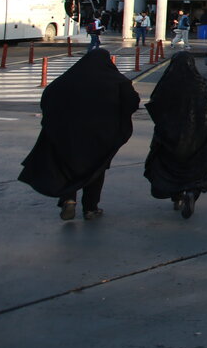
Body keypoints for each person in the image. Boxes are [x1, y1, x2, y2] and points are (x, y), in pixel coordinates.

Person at [18, 48, 140, 221]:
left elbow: (47, 98)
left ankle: (68, 199)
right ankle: (90, 208)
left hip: (68, 133)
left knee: (68, 166)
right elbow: (132, 103)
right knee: (96, 169)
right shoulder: (116, 81)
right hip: (100, 135)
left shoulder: (68, 79)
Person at [144, 52, 207, 219]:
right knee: (196, 168)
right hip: (199, 138)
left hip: (171, 138)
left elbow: (154, 106)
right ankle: (191, 192)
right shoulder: (206, 86)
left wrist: (165, 125)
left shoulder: (167, 86)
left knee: (171, 167)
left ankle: (176, 195)